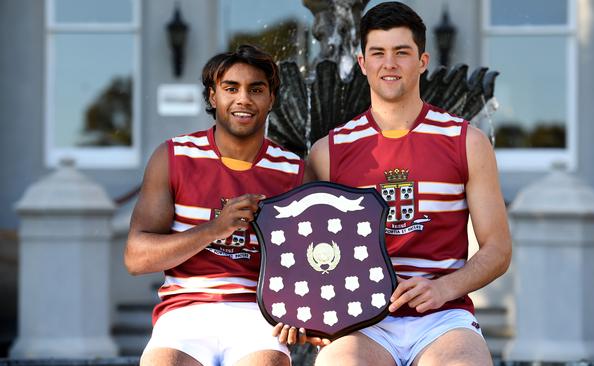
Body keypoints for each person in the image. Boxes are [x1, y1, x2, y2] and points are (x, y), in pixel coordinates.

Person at [280, 2, 512, 365]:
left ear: (422, 61)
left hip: (443, 317)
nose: (389, 64)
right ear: (362, 64)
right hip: (362, 321)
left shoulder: (467, 141)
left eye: (402, 52)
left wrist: (443, 288)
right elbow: (304, 249)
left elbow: (498, 249)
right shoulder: (329, 152)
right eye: (378, 53)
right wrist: (303, 310)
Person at [125, 44, 305, 366]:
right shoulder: (175, 157)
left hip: (257, 313)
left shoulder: (292, 170)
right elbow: (136, 257)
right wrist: (214, 229)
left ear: (271, 99)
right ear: (212, 96)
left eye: (256, 89)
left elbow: (308, 260)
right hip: (184, 311)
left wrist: (301, 309)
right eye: (231, 88)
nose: (243, 99)